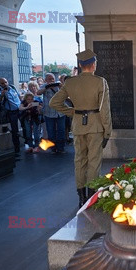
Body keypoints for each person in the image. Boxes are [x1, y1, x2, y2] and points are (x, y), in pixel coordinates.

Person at [50, 49, 112, 208]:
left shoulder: (70, 82)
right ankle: (91, 197)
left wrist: (73, 113)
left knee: (79, 160)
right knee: (94, 161)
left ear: (79, 64)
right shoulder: (100, 82)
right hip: (95, 126)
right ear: (93, 65)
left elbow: (54, 103)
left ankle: (81, 196)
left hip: (78, 126)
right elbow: (104, 110)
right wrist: (108, 131)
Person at [37, 73, 66, 153]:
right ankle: (53, 148)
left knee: (61, 130)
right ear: (45, 80)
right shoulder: (44, 86)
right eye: (49, 79)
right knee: (51, 131)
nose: (51, 80)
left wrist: (60, 86)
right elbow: (38, 93)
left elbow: (67, 91)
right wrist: (47, 87)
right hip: (48, 112)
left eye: (52, 78)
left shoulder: (59, 85)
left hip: (60, 112)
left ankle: (61, 148)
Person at [0, 78, 22, 154]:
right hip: (12, 112)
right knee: (15, 130)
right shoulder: (0, 91)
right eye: (2, 83)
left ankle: (29, 144)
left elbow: (19, 96)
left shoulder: (13, 88)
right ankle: (17, 148)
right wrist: (2, 95)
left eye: (6, 82)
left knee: (25, 126)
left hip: (20, 109)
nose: (5, 84)